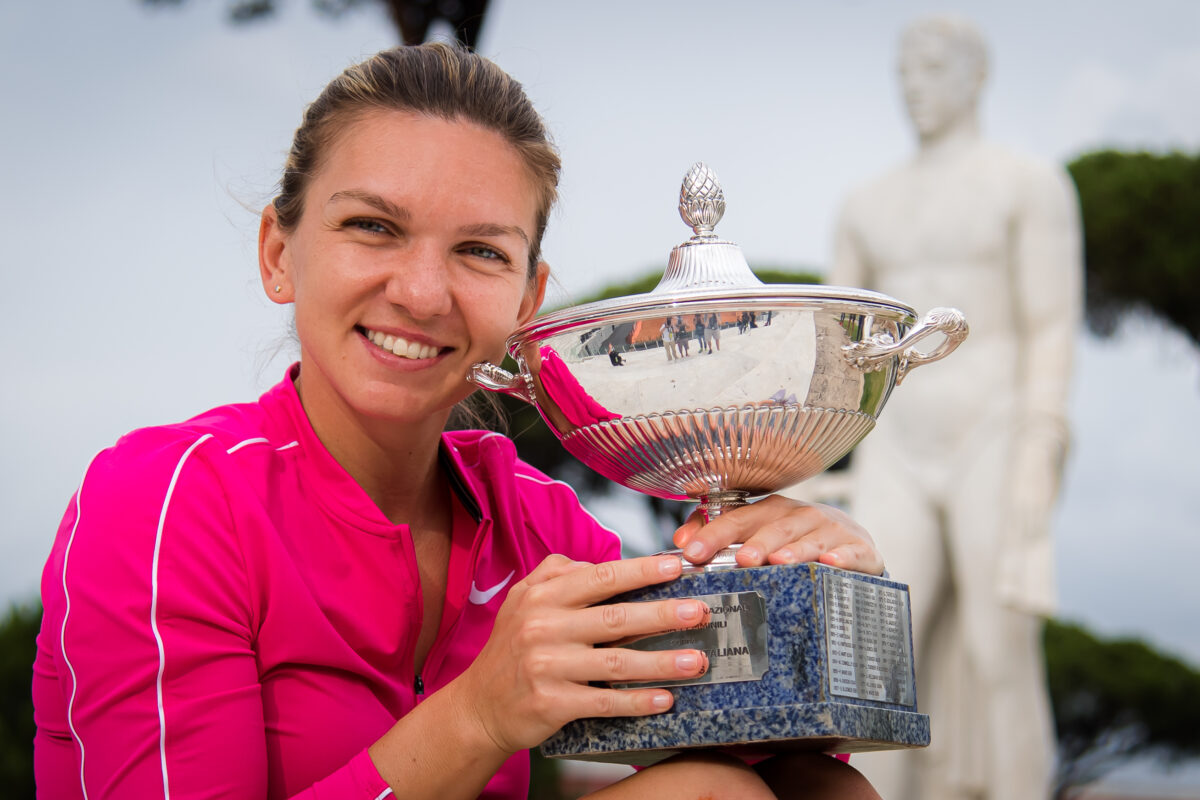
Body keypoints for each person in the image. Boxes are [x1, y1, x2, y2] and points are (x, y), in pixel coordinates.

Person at [33, 44, 885, 800]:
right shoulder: (164, 503)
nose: (421, 293)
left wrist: (810, 594)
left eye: (480, 251)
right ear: (278, 253)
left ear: (527, 301)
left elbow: (767, 749)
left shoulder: (536, 524)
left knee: (816, 790)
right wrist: (476, 715)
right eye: (372, 227)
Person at [826, 15, 1082, 800]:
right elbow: (838, 349)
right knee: (877, 656)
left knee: (1001, 648)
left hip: (993, 429)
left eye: (932, 67)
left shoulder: (1027, 183)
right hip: (896, 442)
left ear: (976, 74)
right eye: (904, 69)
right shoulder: (865, 203)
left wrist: (1040, 448)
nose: (914, 84)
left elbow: (1051, 326)